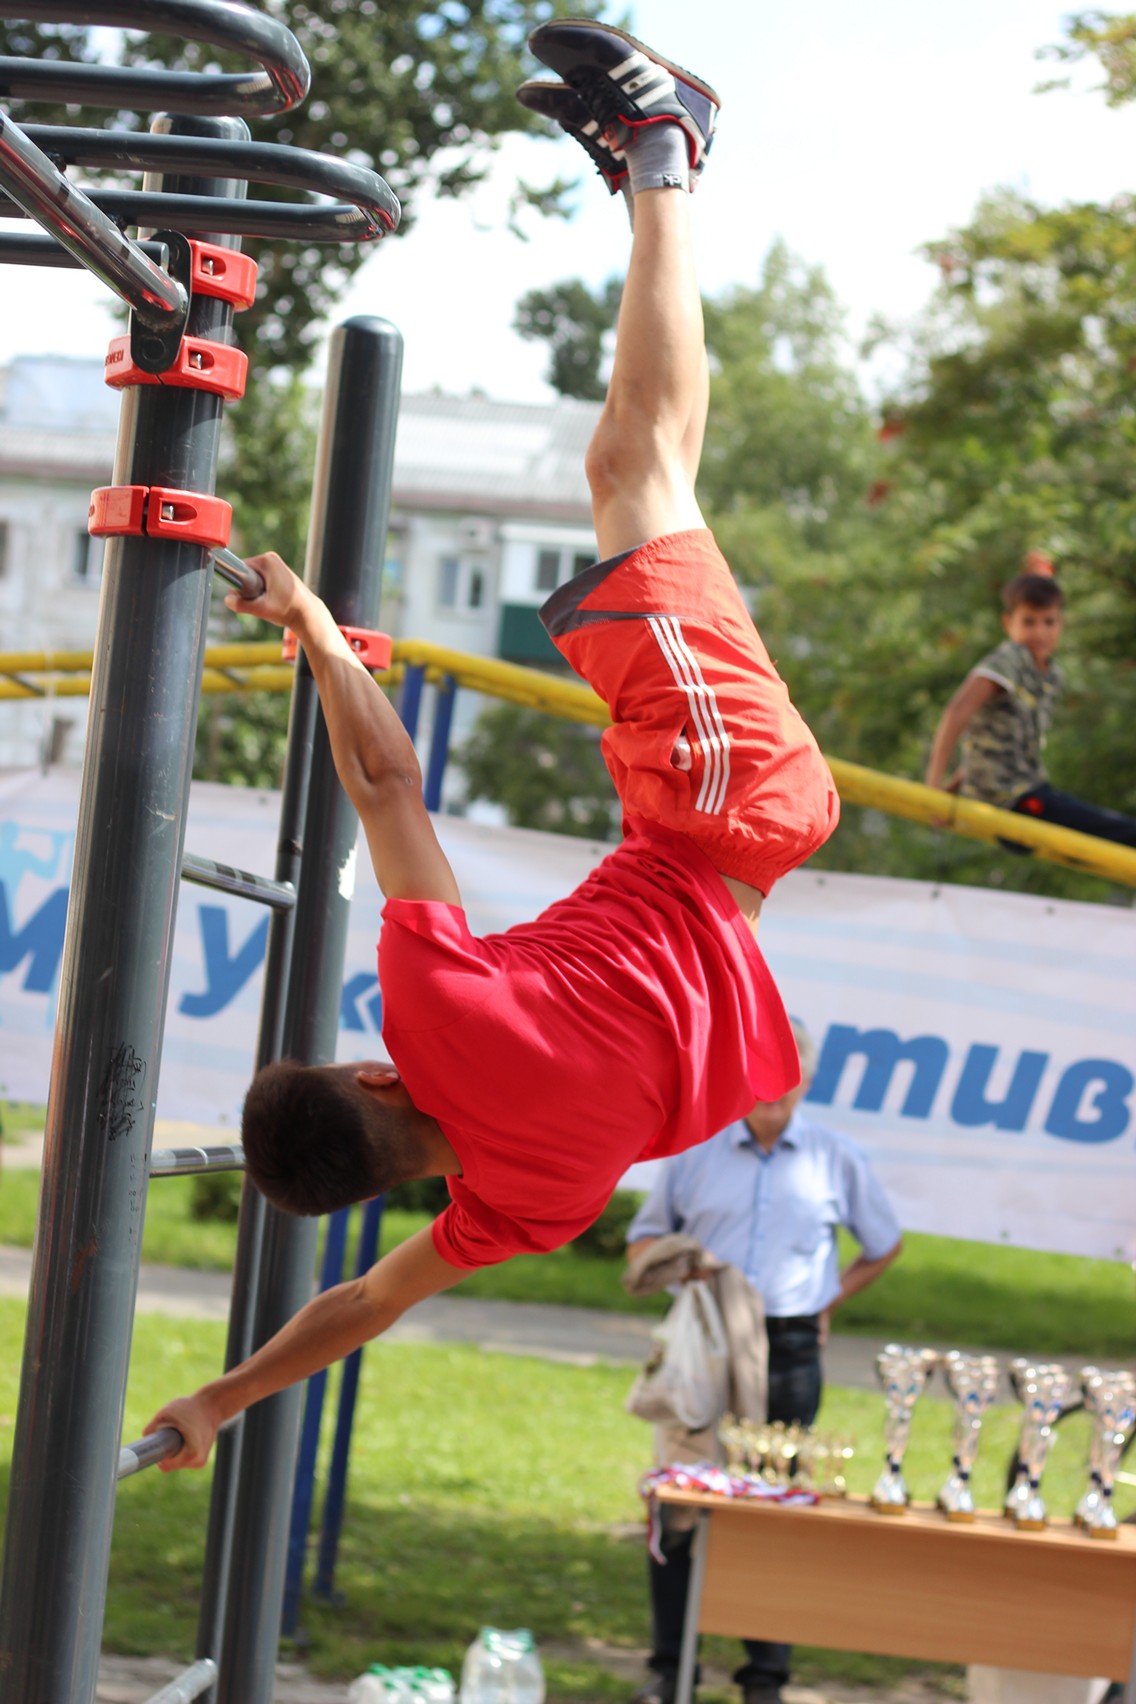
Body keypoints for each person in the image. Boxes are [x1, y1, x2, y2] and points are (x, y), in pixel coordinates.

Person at [145, 20, 838, 1470]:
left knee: (656, 475)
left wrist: (222, 1398)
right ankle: (668, 149)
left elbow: (365, 1305)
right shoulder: (434, 1018)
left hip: (700, 819)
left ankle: (655, 171)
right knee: (625, 470)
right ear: (380, 1083)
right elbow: (386, 784)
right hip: (720, 801)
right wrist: (323, 637)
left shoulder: (527, 1204)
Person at [624, 1022, 903, 1704]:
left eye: (789, 1072)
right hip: (705, 1348)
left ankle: (766, 1678)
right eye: (762, 1069)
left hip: (791, 1349)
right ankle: (672, 1671)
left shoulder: (836, 1158)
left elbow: (883, 1243)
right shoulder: (694, 1149)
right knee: (680, 1502)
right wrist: (678, 1263)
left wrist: (828, 1300)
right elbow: (642, 1240)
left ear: (806, 1079)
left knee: (776, 1512)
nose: (774, 1087)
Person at [925, 561, 1136, 846]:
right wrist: (934, 790)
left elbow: (994, 741)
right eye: (1028, 622)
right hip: (1010, 799)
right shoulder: (1011, 659)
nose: (1039, 633)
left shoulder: (1051, 674)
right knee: (1120, 831)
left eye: (1049, 622)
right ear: (1008, 623)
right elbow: (956, 713)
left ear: (1061, 623)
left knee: (1100, 830)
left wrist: (956, 787)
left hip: (1030, 789)